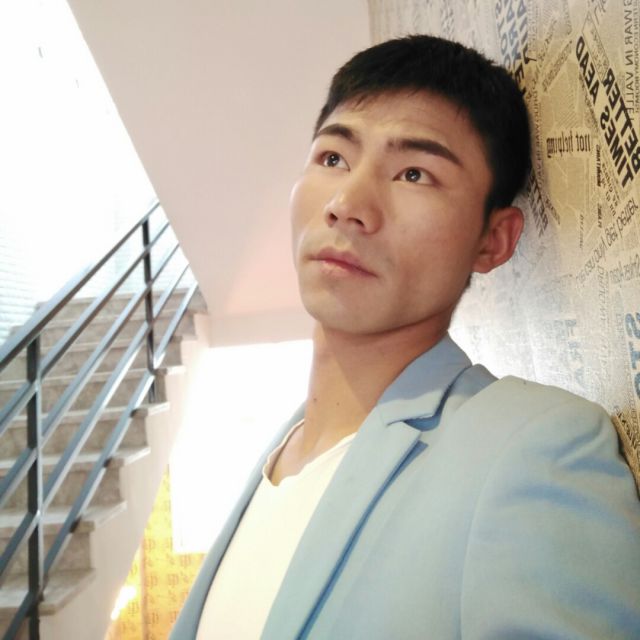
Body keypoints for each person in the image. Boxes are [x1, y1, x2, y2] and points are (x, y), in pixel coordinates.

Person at [171, 35, 640, 639]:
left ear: (493, 240)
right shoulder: (272, 457)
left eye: (414, 173)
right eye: (333, 158)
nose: (346, 204)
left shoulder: (536, 449)